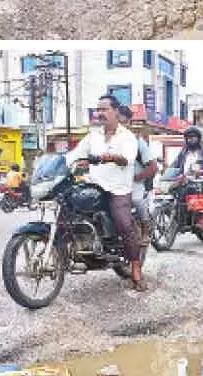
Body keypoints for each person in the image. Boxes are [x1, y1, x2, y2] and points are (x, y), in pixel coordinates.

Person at [64, 95, 145, 290]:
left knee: (124, 223)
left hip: (118, 188)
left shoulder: (127, 137)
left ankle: (135, 267)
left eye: (104, 109)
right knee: (66, 207)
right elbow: (74, 155)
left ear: (116, 111)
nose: (99, 113)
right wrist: (61, 163)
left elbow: (127, 159)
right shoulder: (93, 135)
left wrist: (110, 157)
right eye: (98, 109)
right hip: (94, 184)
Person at [122, 106, 161, 244]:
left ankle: (145, 227)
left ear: (129, 122)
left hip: (135, 183)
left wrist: (135, 178)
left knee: (137, 200)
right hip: (114, 183)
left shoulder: (137, 142)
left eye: (123, 122)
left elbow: (153, 167)